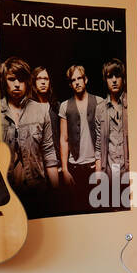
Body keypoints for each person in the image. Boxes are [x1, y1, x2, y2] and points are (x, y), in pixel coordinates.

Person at [0, 57, 59, 217]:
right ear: (4, 81)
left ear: (28, 82)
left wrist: (56, 194)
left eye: (21, 79)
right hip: (5, 192)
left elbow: (49, 153)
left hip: (36, 190)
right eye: (12, 79)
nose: (17, 84)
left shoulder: (41, 110)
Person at [59, 63, 103, 212]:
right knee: (77, 209)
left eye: (79, 78)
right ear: (70, 84)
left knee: (97, 211)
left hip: (94, 166)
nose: (77, 82)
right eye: (73, 80)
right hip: (74, 169)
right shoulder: (65, 106)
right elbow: (64, 139)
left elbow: (104, 138)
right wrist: (65, 170)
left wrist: (99, 166)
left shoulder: (99, 102)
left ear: (86, 80)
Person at [96, 58, 129, 210]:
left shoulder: (132, 103)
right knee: (115, 211)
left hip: (130, 170)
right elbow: (98, 145)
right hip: (110, 171)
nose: (114, 80)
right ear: (105, 80)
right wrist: (99, 173)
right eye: (110, 77)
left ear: (123, 78)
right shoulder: (100, 108)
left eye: (118, 76)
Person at [30, 64, 60, 160]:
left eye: (46, 79)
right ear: (34, 82)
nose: (43, 82)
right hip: (37, 162)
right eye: (39, 79)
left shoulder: (57, 107)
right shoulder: (28, 107)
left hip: (57, 159)